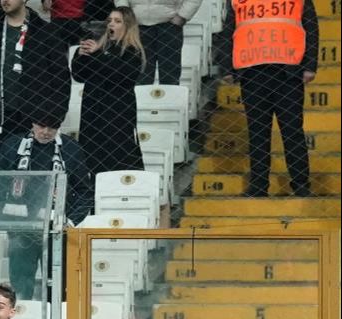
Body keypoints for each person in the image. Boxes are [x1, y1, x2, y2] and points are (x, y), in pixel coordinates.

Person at [0, 110, 92, 298]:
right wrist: (4, 218)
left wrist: (70, 222)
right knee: (20, 286)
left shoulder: (70, 148)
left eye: (52, 128)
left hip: (56, 228)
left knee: (59, 286)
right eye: (41, 126)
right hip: (20, 227)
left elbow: (85, 192)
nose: (45, 132)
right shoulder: (13, 145)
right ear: (32, 124)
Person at [218, 0, 318, 197]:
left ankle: (300, 184)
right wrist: (226, 66)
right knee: (258, 132)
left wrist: (310, 65)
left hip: (288, 73)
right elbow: (228, 31)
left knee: (291, 131)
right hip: (253, 73)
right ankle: (259, 185)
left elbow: (311, 29)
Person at [0, 0, 71, 165]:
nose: (4, 1)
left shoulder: (46, 31)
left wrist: (53, 118)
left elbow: (61, 79)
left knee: (32, 174)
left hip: (36, 120)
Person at [71, 6, 145, 180]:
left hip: (117, 115)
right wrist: (80, 55)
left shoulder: (132, 51)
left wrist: (97, 54)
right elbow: (79, 75)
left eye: (117, 21)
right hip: (92, 112)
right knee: (92, 159)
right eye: (109, 20)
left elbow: (119, 74)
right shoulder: (100, 47)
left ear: (127, 26)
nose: (111, 24)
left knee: (118, 158)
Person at [115, 0, 202, 85]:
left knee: (169, 73)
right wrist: (124, 11)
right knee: (139, 73)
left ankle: (170, 99)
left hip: (170, 26)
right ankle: (140, 99)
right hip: (137, 26)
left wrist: (182, 16)